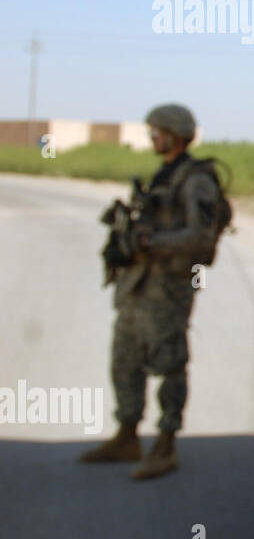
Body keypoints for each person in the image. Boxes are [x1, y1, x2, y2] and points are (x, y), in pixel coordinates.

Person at [80, 104, 221, 480]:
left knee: (169, 363)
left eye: (157, 132)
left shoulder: (196, 180)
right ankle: (127, 435)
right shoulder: (164, 175)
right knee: (125, 357)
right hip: (139, 285)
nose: (152, 138)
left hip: (170, 287)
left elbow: (201, 234)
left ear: (174, 135)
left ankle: (166, 443)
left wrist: (151, 241)